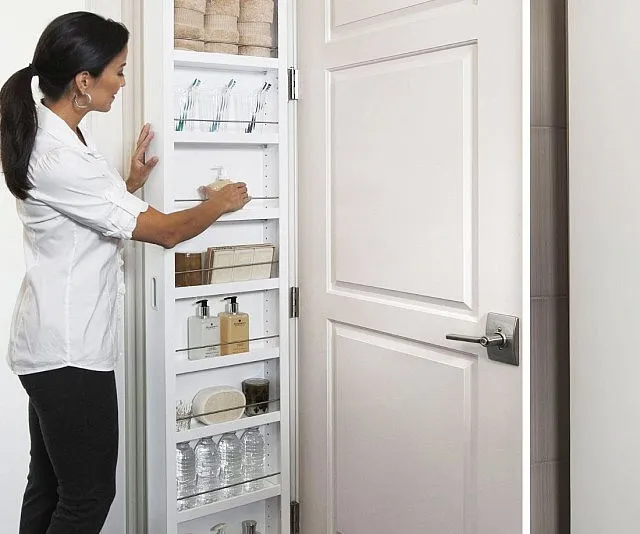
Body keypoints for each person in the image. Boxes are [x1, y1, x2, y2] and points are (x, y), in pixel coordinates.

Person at [0, 11, 249, 534]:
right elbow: (166, 233)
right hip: (69, 352)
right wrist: (220, 204)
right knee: (89, 496)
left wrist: (127, 183)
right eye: (119, 70)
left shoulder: (56, 138)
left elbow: (80, 214)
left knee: (50, 489)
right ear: (83, 81)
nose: (123, 81)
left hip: (48, 345)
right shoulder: (62, 156)